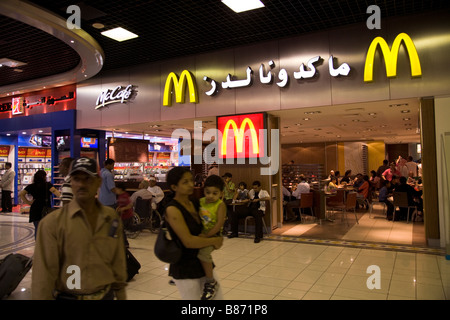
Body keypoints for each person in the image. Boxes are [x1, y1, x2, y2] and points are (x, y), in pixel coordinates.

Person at [31, 157, 127, 300]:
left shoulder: (110, 218)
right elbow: (43, 275)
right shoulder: (52, 224)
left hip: (105, 294)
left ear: (98, 182)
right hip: (69, 295)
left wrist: (120, 293)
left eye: (87, 179)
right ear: (71, 182)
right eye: (76, 179)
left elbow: (117, 259)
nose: (82, 184)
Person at [164, 167, 224, 300]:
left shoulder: (196, 203)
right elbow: (188, 241)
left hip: (203, 263)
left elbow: (212, 217)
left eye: (191, 180)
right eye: (185, 182)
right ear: (174, 187)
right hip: (185, 268)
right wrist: (213, 241)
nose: (191, 184)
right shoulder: (172, 209)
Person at [197, 175, 227, 300]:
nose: (210, 196)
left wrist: (207, 236)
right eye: (207, 192)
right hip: (202, 234)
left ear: (221, 193)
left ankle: (210, 282)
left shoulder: (220, 205)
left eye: (215, 193)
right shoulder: (200, 202)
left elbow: (219, 224)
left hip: (214, 234)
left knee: (203, 253)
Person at [19, 170, 60, 239]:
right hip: (45, 209)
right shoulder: (48, 185)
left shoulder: (31, 186)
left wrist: (28, 202)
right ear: (44, 177)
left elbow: (21, 194)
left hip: (35, 209)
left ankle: (38, 246)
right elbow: (55, 192)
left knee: (37, 229)